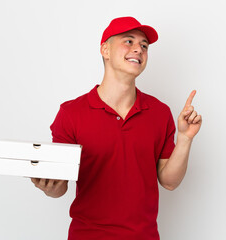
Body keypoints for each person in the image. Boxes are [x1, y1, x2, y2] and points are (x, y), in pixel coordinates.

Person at [31, 16, 202, 240]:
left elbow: (169, 182)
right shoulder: (71, 113)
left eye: (144, 46)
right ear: (105, 50)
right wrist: (50, 188)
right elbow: (60, 185)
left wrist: (186, 138)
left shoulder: (160, 112)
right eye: (128, 41)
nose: (138, 49)